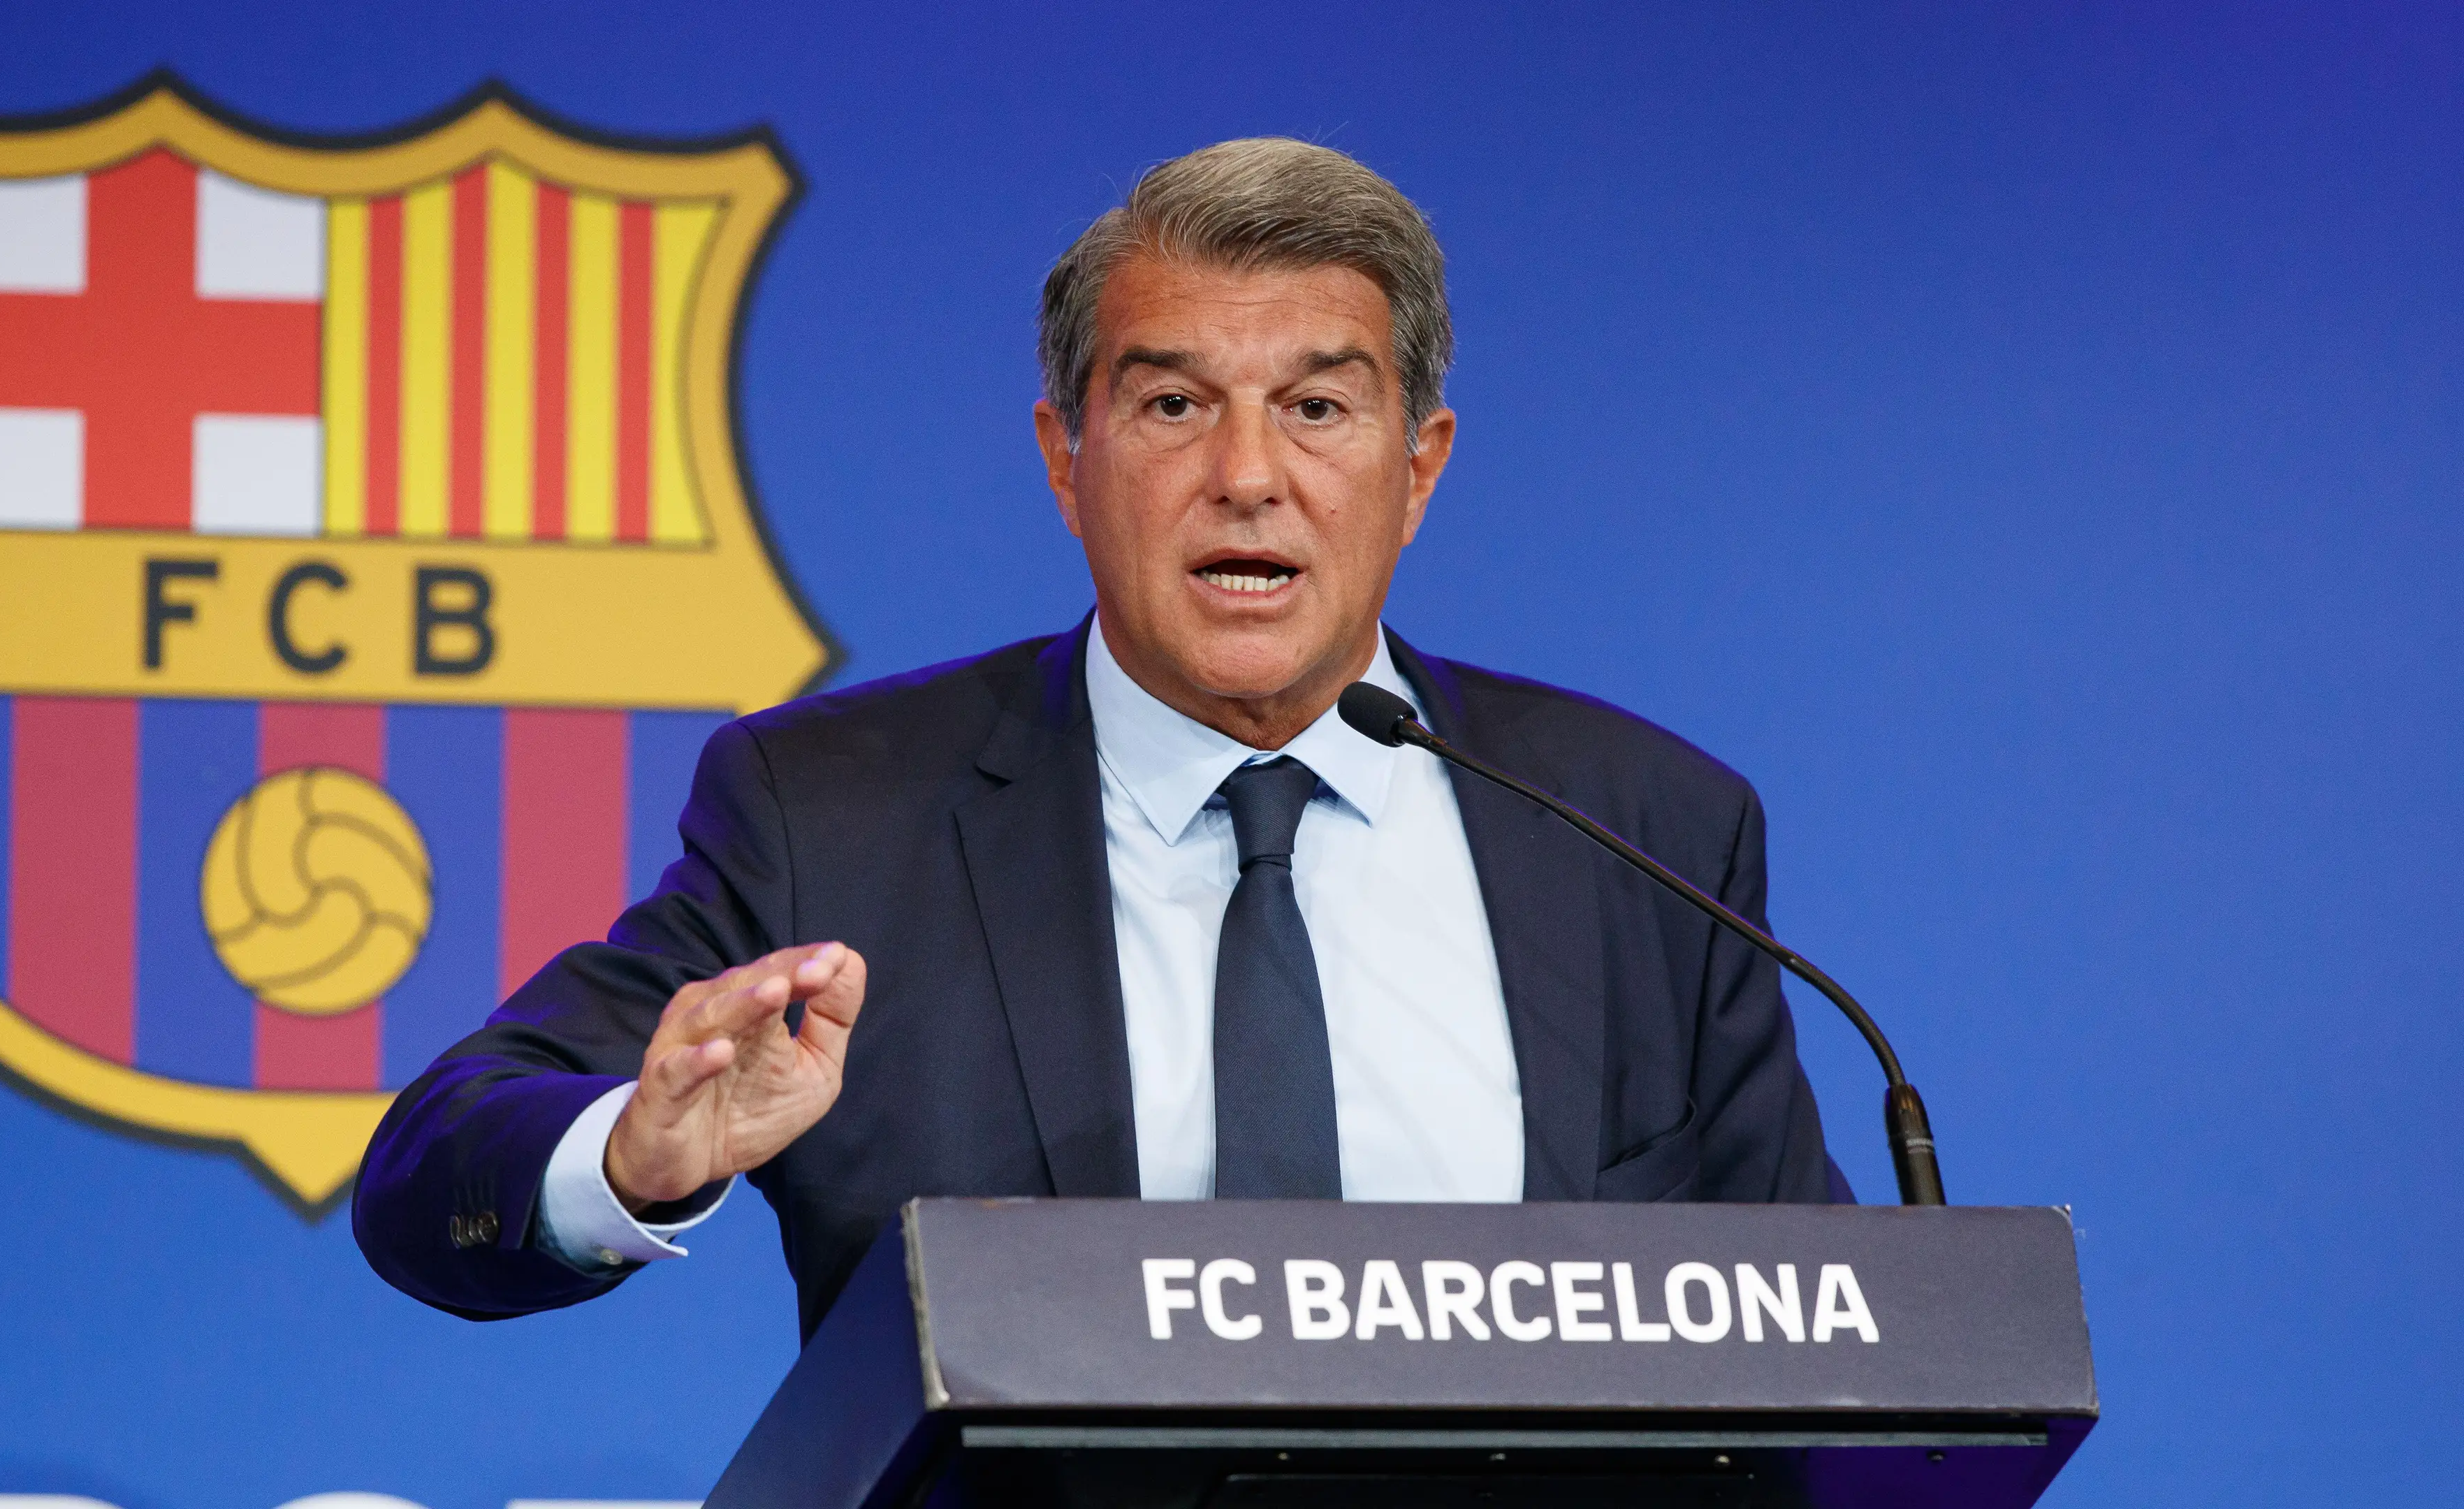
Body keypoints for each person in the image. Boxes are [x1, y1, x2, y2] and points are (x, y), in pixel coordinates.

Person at [355, 138, 1849, 1340]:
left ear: (1419, 467)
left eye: (1318, 406)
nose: (1247, 476)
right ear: (1066, 460)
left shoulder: (1639, 826)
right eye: (1174, 405)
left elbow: (1836, 1336)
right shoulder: (840, 814)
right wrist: (631, 1156)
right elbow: (436, 1169)